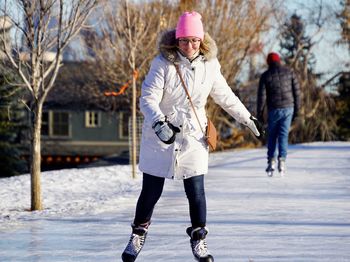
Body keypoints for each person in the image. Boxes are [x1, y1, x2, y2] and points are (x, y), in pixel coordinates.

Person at [121, 11, 262, 262]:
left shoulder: (210, 65)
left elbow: (225, 95)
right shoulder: (162, 64)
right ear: (177, 40)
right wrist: (158, 123)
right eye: (184, 40)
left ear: (202, 40)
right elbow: (148, 99)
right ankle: (138, 233)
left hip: (194, 136)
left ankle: (199, 240)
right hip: (161, 137)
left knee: (196, 191)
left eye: (195, 40)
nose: (190, 45)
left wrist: (246, 117)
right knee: (151, 191)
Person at [257, 52, 301, 176]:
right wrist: (297, 111)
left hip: (274, 109)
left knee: (272, 136)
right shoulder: (290, 72)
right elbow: (297, 93)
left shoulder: (265, 76)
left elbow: (261, 98)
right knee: (283, 135)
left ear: (268, 62)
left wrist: (260, 114)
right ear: (279, 60)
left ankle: (271, 161)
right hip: (288, 108)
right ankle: (282, 160)